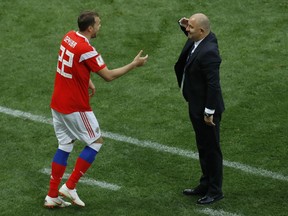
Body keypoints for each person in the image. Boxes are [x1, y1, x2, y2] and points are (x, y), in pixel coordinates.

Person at [44, 10, 148, 208]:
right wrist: (134, 64)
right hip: (75, 106)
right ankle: (70, 186)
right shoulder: (86, 49)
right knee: (95, 141)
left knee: (65, 144)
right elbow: (108, 75)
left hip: (57, 103)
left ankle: (51, 196)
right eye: (98, 24)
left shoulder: (69, 37)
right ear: (90, 28)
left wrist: (88, 80)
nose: (100, 27)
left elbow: (73, 64)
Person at [174, 13, 225, 205]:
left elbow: (214, 85)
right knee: (203, 147)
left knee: (211, 150)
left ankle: (215, 190)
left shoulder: (209, 51)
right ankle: (205, 184)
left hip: (206, 110)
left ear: (201, 31)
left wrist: (209, 111)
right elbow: (190, 33)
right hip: (195, 104)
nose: (187, 29)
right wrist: (183, 23)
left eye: (190, 27)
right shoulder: (201, 40)